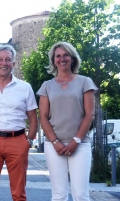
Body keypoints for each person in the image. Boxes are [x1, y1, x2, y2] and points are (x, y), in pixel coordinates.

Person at [0, 44, 38, 201]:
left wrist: (28, 141)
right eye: (0, 59)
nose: (4, 63)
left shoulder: (25, 87)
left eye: (8, 60)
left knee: (19, 193)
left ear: (14, 64)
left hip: (17, 141)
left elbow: (33, 118)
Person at [37, 42, 98, 201]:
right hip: (53, 145)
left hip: (80, 144)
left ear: (72, 58)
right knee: (59, 195)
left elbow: (89, 114)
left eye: (66, 55)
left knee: (80, 195)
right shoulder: (47, 86)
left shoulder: (85, 82)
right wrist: (55, 141)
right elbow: (43, 116)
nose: (62, 59)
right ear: (53, 60)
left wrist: (76, 140)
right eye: (58, 56)